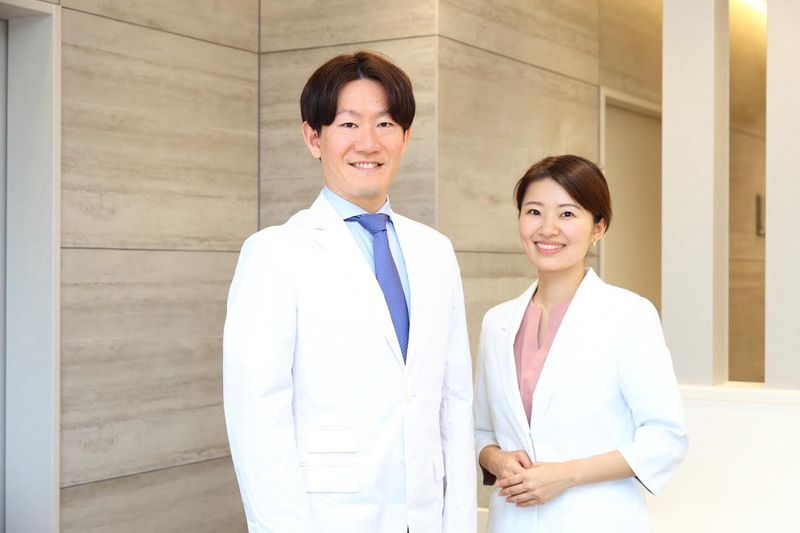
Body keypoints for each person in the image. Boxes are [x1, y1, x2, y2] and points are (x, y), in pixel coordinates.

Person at [223, 51, 476, 533]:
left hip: (424, 517)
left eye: (385, 124)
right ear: (313, 138)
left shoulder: (435, 252)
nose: (368, 143)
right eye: (348, 124)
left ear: (405, 137)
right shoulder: (275, 253)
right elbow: (257, 416)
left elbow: (454, 401)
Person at [473, 155, 688, 532]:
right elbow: (480, 432)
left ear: (598, 227)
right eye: (534, 212)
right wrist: (497, 460)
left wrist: (567, 474)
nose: (548, 228)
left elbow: (665, 438)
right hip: (512, 520)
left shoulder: (628, 315)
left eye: (567, 214)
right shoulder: (497, 323)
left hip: (598, 520)